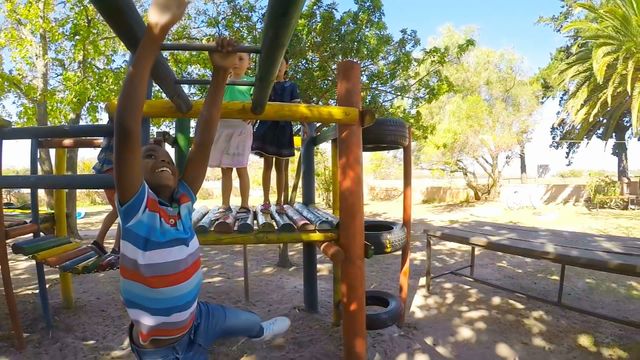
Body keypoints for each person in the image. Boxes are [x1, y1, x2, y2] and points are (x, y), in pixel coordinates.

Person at [113, 1, 290, 357]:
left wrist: (220, 76)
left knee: (250, 321)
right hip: (159, 349)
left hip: (199, 319)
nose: (162, 160)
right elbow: (129, 125)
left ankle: (256, 331)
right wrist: (155, 32)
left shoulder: (182, 202)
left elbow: (204, 139)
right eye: (150, 157)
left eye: (167, 158)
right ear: (136, 170)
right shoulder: (136, 209)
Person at [251, 57, 307, 213]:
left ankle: (280, 202)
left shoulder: (291, 86)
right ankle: (266, 201)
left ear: (287, 66)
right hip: (267, 128)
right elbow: (257, 106)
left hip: (283, 129)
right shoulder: (266, 86)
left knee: (281, 167)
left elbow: (297, 108)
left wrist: (303, 123)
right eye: (274, 64)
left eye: (281, 64)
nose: (278, 68)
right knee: (267, 165)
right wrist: (252, 123)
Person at [208, 51, 254, 218]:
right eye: (233, 58)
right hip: (223, 128)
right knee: (225, 169)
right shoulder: (224, 81)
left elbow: (258, 104)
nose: (236, 62)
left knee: (242, 167)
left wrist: (253, 116)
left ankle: (244, 204)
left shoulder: (252, 82)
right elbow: (215, 99)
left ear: (249, 63)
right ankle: (225, 204)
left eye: (241, 58)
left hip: (241, 128)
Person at [91, 117, 120, 255]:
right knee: (123, 208)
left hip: (104, 168)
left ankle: (99, 241)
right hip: (115, 168)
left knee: (117, 209)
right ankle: (117, 248)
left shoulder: (112, 123)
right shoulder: (123, 120)